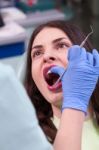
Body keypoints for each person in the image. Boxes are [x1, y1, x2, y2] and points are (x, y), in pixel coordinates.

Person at [24, 20, 99, 150]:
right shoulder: (28, 136)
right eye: (37, 53)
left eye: (61, 45)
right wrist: (75, 101)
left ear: (85, 59)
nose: (47, 56)